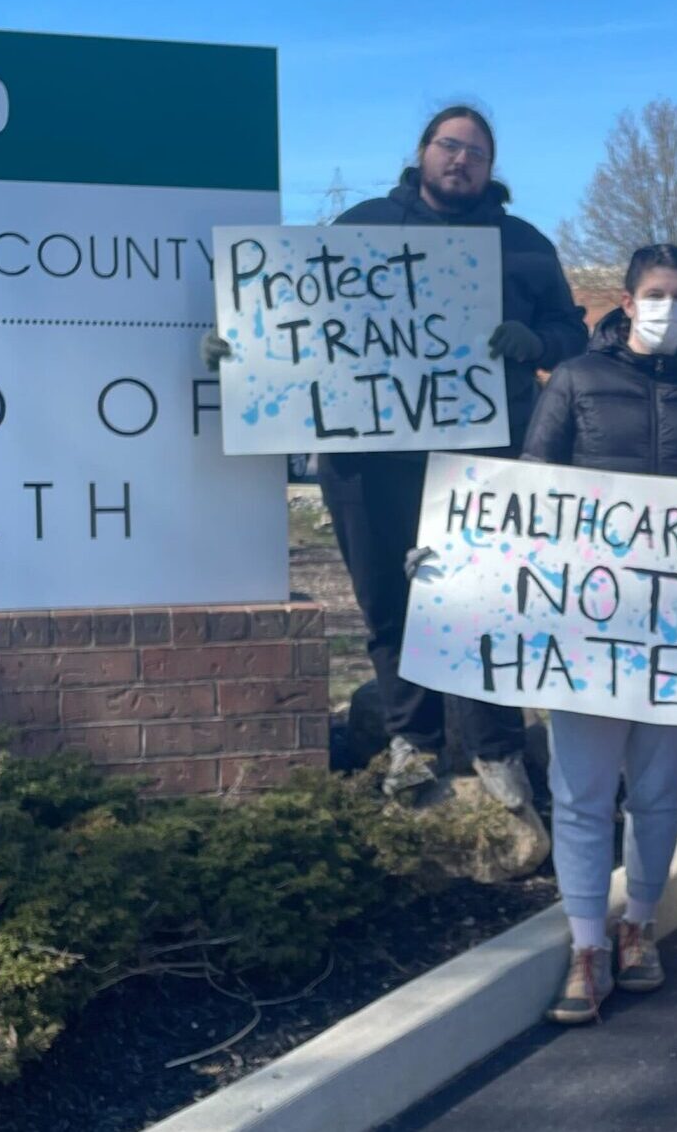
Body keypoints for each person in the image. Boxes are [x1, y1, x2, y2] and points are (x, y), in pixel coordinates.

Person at [204, 105, 589, 808]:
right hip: (368, 461)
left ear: (490, 167)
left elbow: (571, 329)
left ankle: (497, 749)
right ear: (422, 152)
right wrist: (241, 349)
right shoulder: (362, 226)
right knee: (388, 605)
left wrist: (538, 344)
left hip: (479, 455)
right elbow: (297, 318)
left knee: (482, 606)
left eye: (477, 151)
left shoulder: (525, 244)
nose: (462, 159)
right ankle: (416, 742)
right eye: (450, 145)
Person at [508, 243, 677, 1025]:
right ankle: (587, 944)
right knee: (582, 794)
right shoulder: (579, 382)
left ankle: (640, 928)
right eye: (655, 292)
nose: (668, 305)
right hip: (585, 626)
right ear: (626, 302)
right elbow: (530, 489)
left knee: (657, 794)